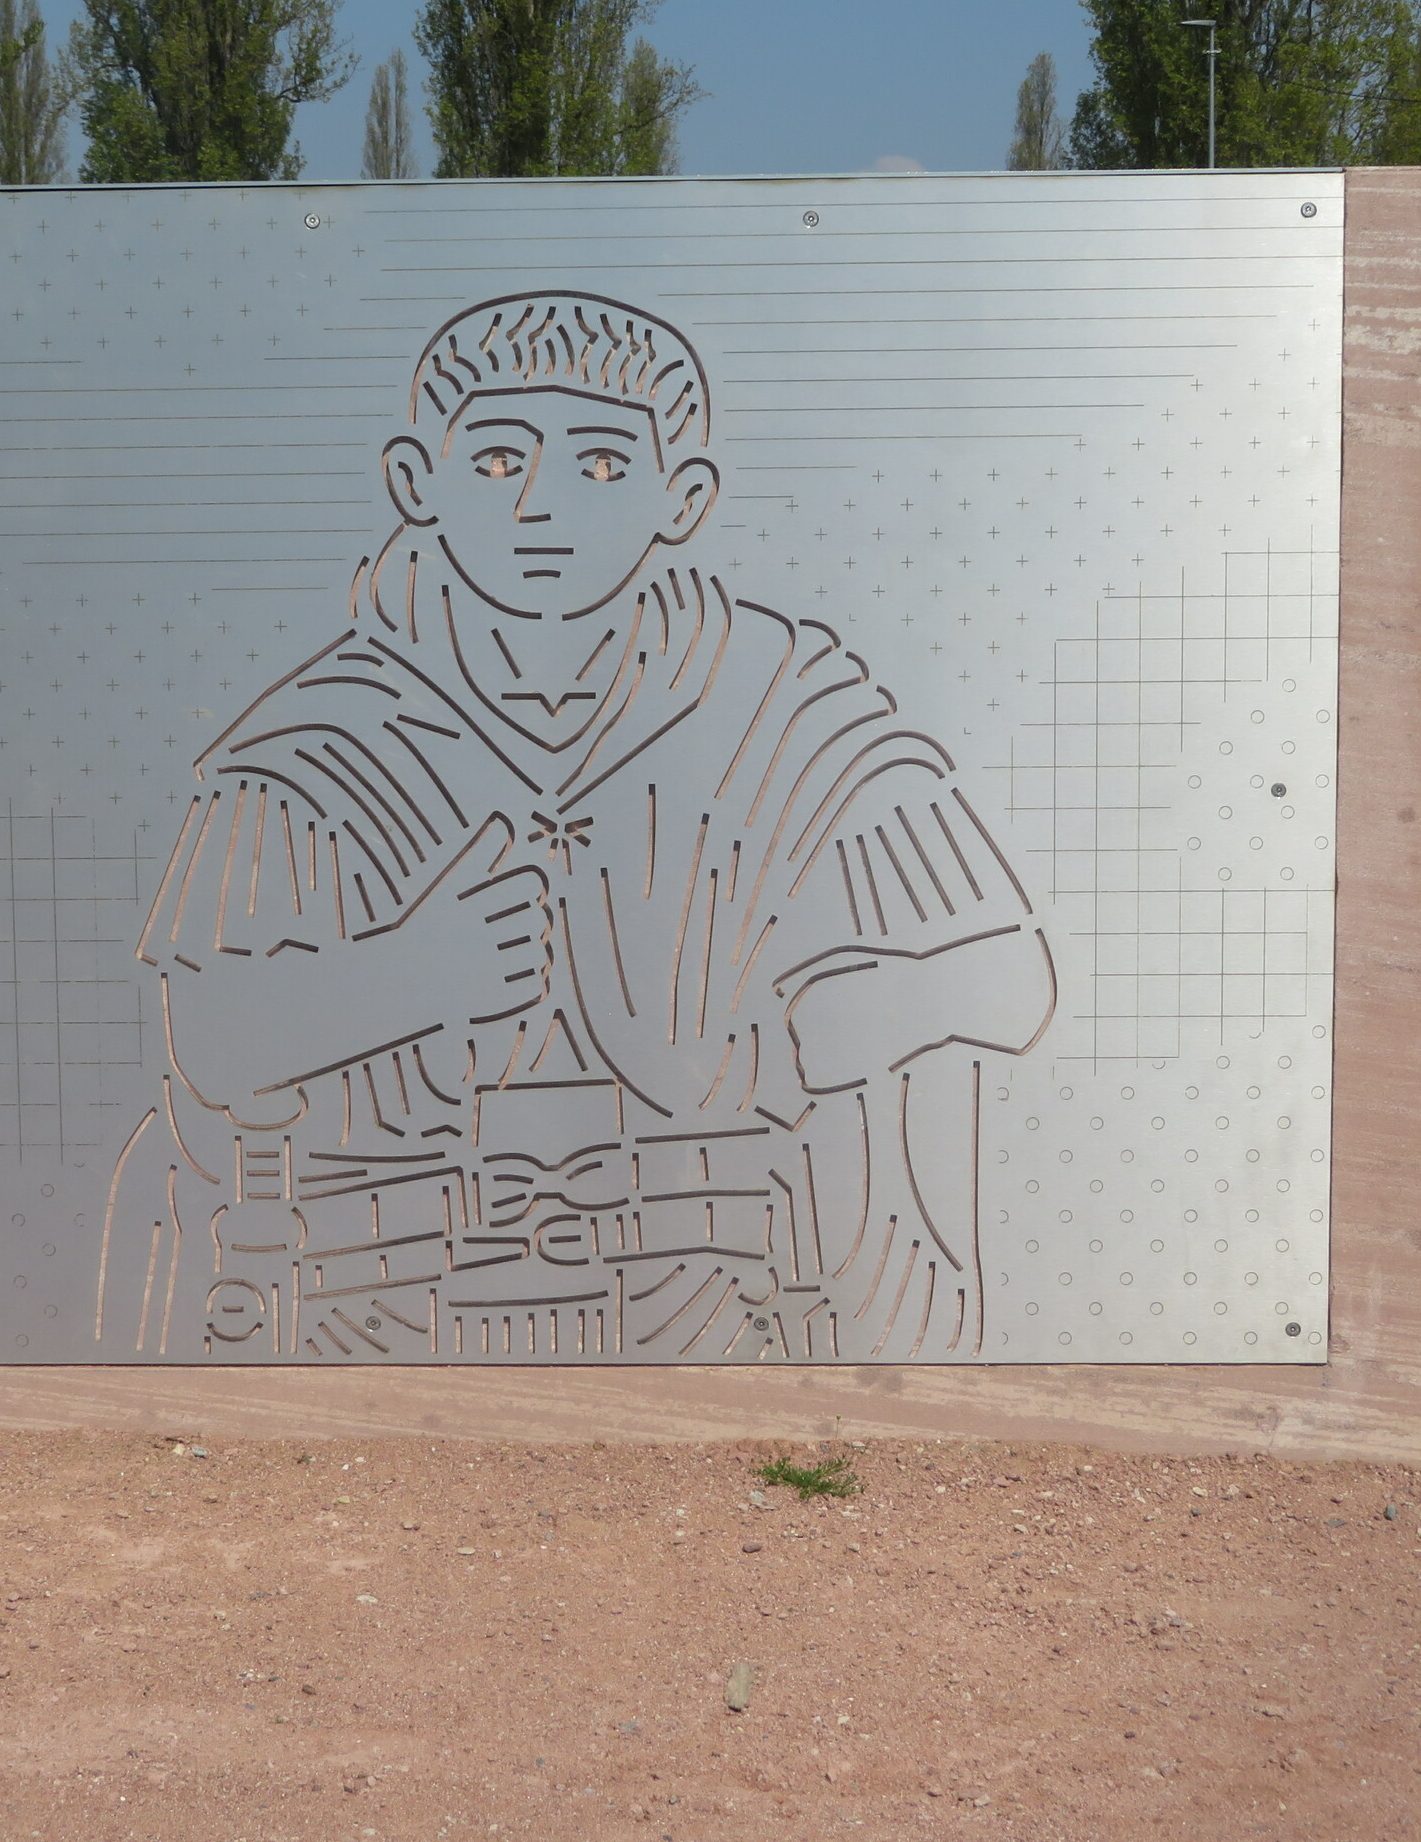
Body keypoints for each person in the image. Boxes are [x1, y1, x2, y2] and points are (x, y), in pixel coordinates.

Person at [95, 291, 1054, 1364]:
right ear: (416, 482)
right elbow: (211, 1044)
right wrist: (418, 973)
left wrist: (783, 1035)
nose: (541, 507)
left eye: (600, 464)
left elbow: (1010, 980)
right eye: (498, 460)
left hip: (719, 1290)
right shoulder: (313, 745)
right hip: (375, 1301)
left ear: (683, 498)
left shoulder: (784, 712)